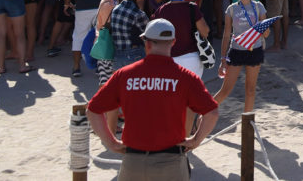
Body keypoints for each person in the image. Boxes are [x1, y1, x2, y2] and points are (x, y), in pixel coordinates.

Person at [87, 18, 219, 180]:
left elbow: (93, 110)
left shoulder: (124, 75)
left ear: (147, 43)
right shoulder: (187, 78)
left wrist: (111, 142)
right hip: (172, 163)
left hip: (133, 162)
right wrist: (196, 140)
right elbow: (212, 113)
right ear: (173, 42)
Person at [214, 0, 269, 113]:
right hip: (236, 51)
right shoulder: (231, 9)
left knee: (250, 90)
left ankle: (247, 126)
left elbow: (266, 34)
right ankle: (203, 114)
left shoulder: (259, 6)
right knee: (225, 90)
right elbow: (226, 35)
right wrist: (223, 59)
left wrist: (265, 30)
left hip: (254, 50)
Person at [153, 0, 209, 78]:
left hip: (168, 60)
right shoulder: (192, 8)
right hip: (191, 59)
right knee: (191, 93)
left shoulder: (161, 10)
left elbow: (153, 35)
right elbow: (205, 31)